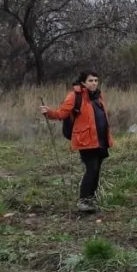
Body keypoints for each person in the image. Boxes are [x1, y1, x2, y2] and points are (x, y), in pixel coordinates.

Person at [40, 70, 114, 212]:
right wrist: (48, 112)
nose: (94, 83)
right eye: (90, 80)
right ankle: (83, 201)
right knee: (91, 169)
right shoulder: (75, 96)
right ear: (83, 82)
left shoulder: (98, 96)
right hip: (86, 140)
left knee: (97, 170)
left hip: (101, 139)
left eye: (96, 80)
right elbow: (62, 113)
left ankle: (91, 199)